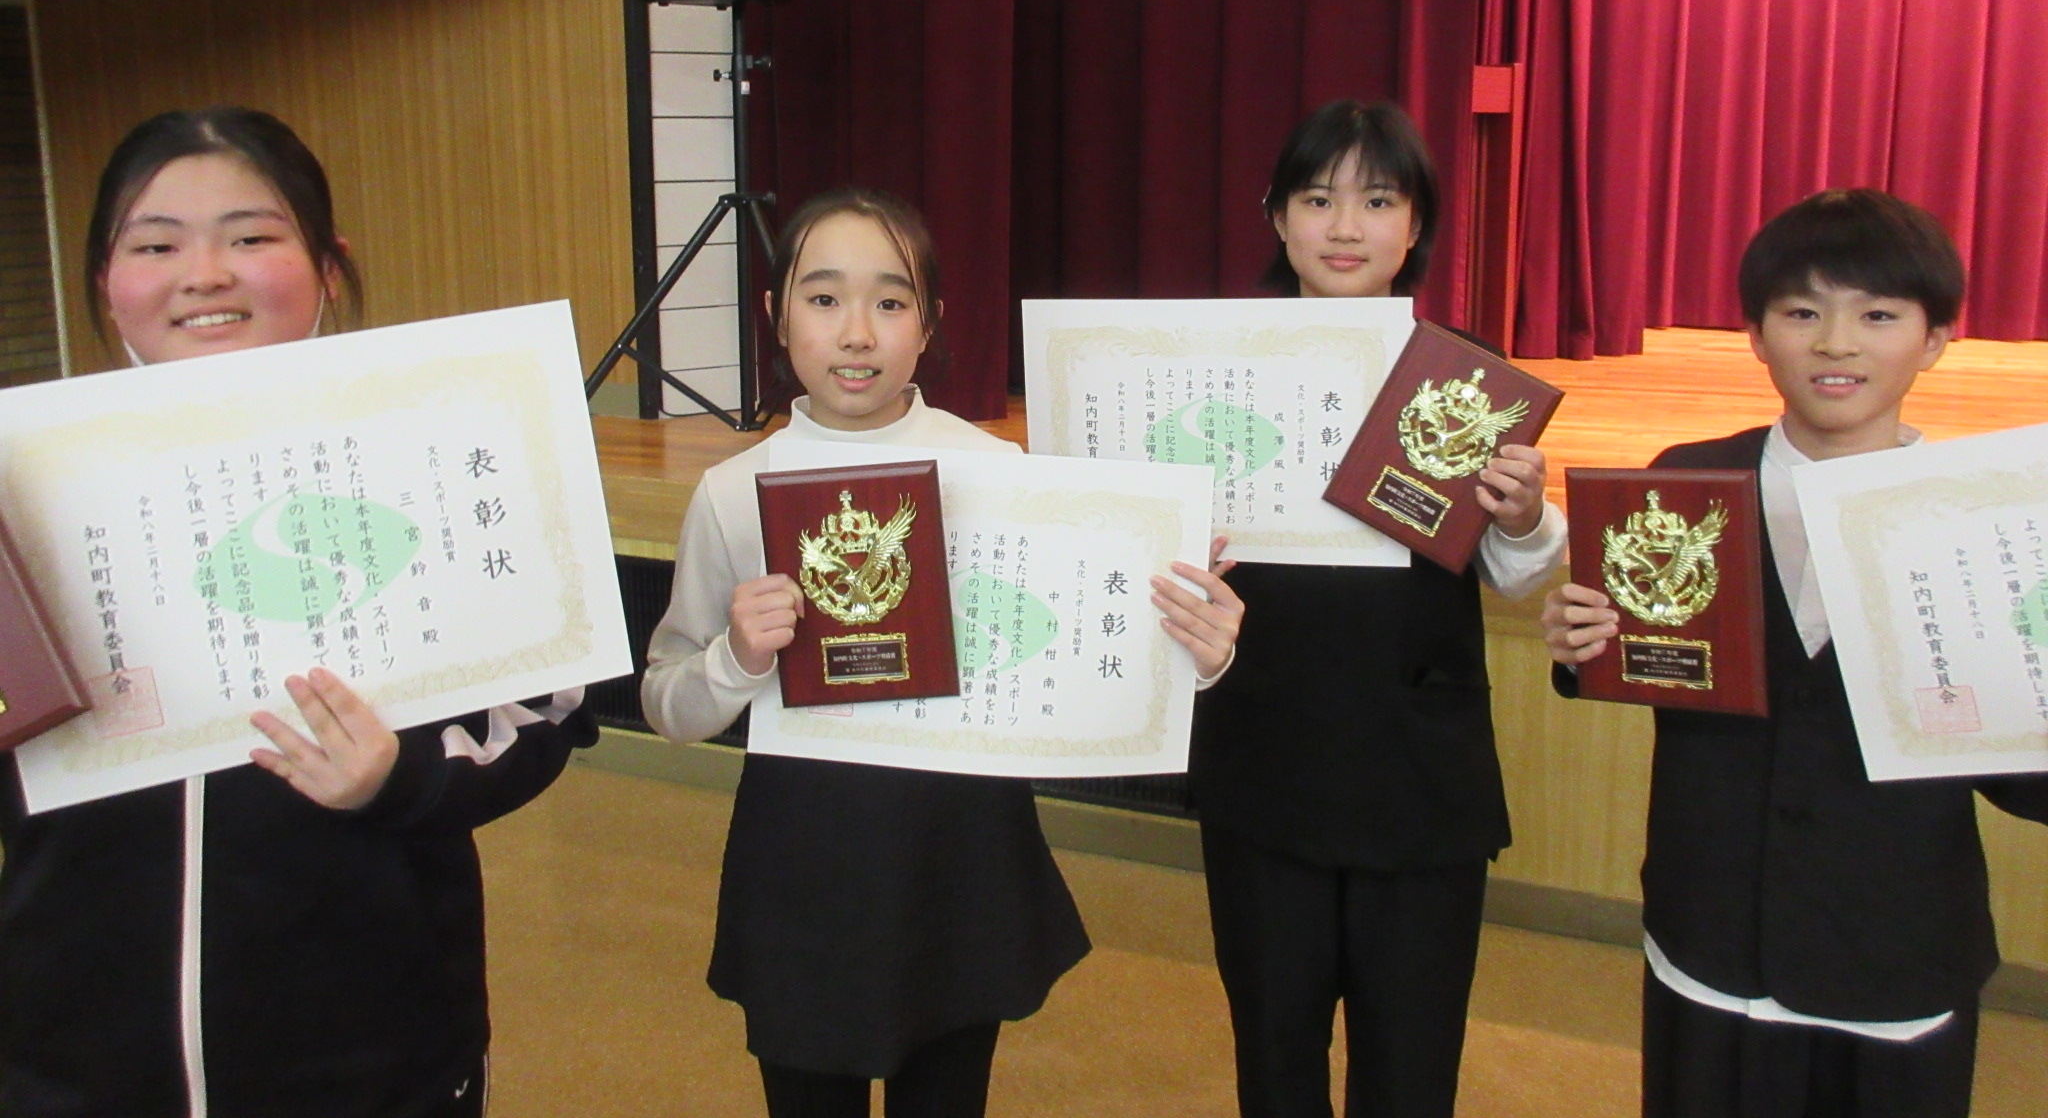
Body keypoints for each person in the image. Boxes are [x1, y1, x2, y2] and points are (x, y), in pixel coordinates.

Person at [0, 107, 596, 1118]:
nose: (204, 274)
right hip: (77, 1058)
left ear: (327, 266)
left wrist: (399, 776)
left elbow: (546, 711)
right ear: (105, 279)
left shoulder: (446, 441)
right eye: (156, 245)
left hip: (373, 1055)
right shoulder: (24, 486)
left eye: (249, 236)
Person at [640, 186, 1244, 1118]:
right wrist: (736, 658)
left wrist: (1192, 649)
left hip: (957, 863)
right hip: (803, 867)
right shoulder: (732, 491)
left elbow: (1086, 663)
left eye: (890, 302)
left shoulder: (999, 474)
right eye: (823, 298)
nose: (856, 333)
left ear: (929, 324)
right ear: (776, 315)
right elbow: (666, 701)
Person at [1542, 188, 2048, 1118]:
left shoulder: (1982, 523)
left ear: (1936, 339)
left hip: (1894, 955)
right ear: (1756, 334)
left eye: (1878, 315)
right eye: (1803, 313)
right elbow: (1650, 663)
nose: (1837, 344)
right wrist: (1582, 645)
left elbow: (2024, 781)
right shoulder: (1685, 482)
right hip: (1710, 937)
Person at [1189, 100, 1566, 1118]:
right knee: (1274, 1059)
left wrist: (1524, 516)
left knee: (1410, 1070)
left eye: (1378, 200)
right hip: (1263, 762)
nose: (1345, 227)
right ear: (1276, 217)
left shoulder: (1461, 374)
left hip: (1419, 777)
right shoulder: (1209, 366)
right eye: (1317, 200)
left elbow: (1517, 577)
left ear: (1415, 225)